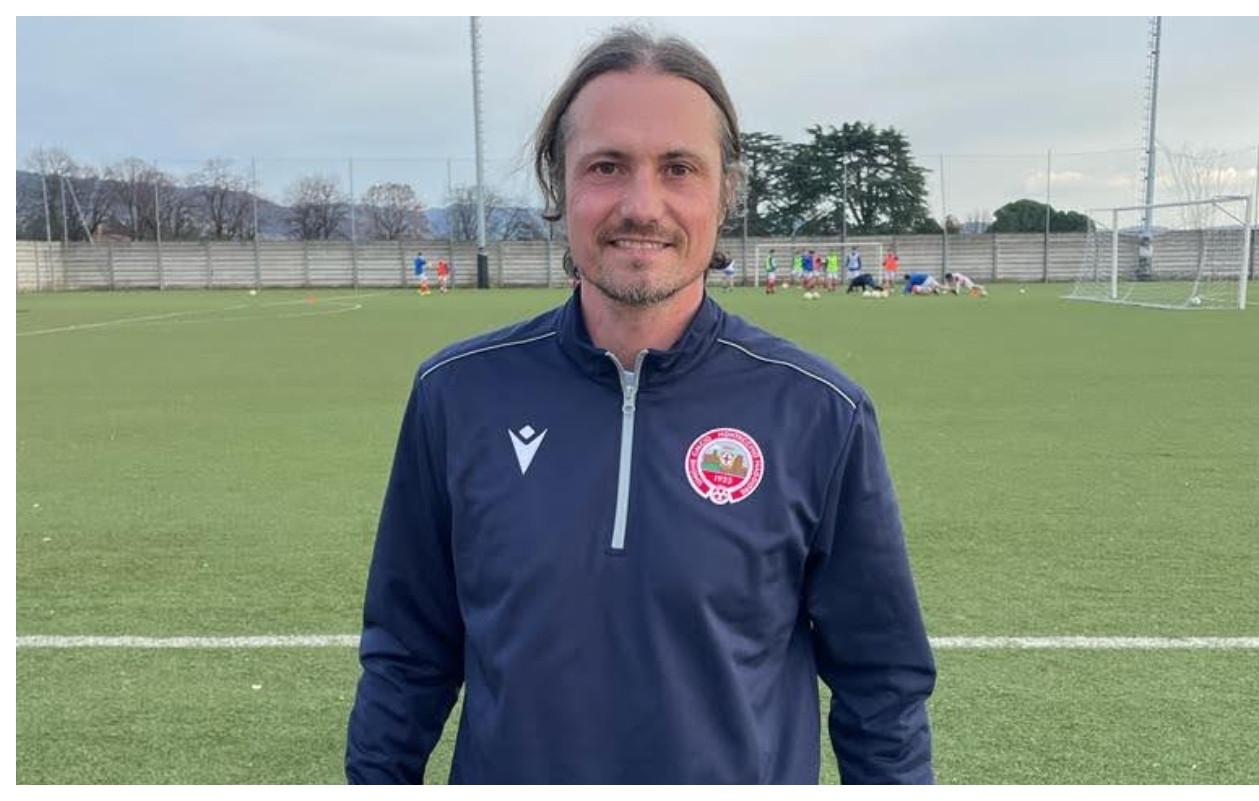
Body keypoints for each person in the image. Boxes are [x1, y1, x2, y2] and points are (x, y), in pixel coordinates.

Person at [346, 27, 934, 785]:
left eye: (679, 168)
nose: (641, 205)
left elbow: (881, 683)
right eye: (607, 166)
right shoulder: (456, 395)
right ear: (558, 184)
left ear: (726, 191)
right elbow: (406, 655)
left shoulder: (820, 412)